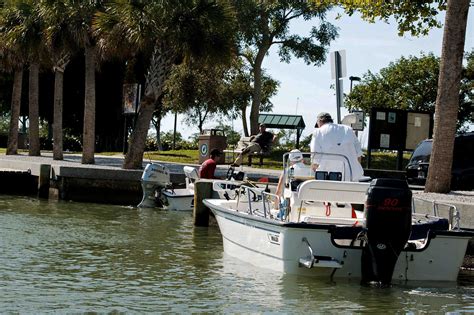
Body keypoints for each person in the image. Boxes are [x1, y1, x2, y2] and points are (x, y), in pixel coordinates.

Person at [310, 112, 364, 182]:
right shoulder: (348, 129)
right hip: (350, 177)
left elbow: (315, 156)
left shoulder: (318, 132)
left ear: (319, 122)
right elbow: (359, 154)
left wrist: (313, 170)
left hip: (328, 177)